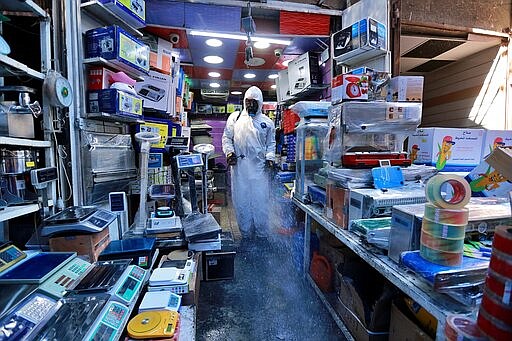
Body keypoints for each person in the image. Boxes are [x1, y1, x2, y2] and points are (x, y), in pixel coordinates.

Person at [222, 86, 276, 240]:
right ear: (244, 101)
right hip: (240, 170)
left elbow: (270, 144)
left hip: (259, 170)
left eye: (254, 102)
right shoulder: (235, 118)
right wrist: (229, 153)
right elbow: (227, 138)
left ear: (260, 103)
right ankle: (246, 235)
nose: (250, 105)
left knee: (260, 202)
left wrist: (270, 159)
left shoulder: (267, 122)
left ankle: (262, 235)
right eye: (248, 102)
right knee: (242, 202)